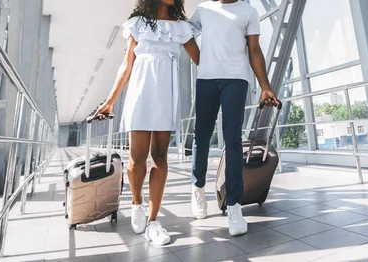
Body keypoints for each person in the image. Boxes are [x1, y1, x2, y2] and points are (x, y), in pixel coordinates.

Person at [95, 0, 200, 246]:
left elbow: (201, 61)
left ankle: (153, 221)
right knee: (136, 159)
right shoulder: (137, 24)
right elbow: (126, 66)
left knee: (160, 156)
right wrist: (110, 101)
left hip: (166, 95)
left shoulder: (182, 27)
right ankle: (136, 202)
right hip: (141, 93)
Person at [188, 0, 279, 237]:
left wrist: (265, 85)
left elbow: (254, 50)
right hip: (206, 79)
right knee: (202, 135)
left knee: (233, 138)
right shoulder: (203, 9)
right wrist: (202, 62)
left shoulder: (248, 11)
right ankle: (198, 188)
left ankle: (234, 205)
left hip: (236, 79)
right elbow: (185, 35)